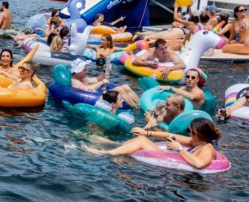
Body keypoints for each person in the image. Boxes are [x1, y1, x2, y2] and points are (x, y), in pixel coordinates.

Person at [87, 118, 222, 171]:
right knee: (142, 138)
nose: (189, 133)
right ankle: (112, 145)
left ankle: (105, 153)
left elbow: (199, 164)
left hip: (178, 166)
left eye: (191, 131)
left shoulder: (208, 149)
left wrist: (179, 149)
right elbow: (171, 135)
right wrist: (147, 132)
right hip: (174, 156)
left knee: (141, 141)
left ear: (199, 134)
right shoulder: (196, 141)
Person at [70, 58, 139, 108]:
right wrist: (102, 82)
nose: (87, 72)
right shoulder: (75, 81)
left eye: (86, 70)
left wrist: (105, 71)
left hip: (97, 94)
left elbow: (97, 79)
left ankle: (140, 104)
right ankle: (136, 108)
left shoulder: (83, 78)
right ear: (76, 71)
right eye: (84, 70)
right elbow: (88, 89)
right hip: (96, 98)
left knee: (125, 86)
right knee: (119, 89)